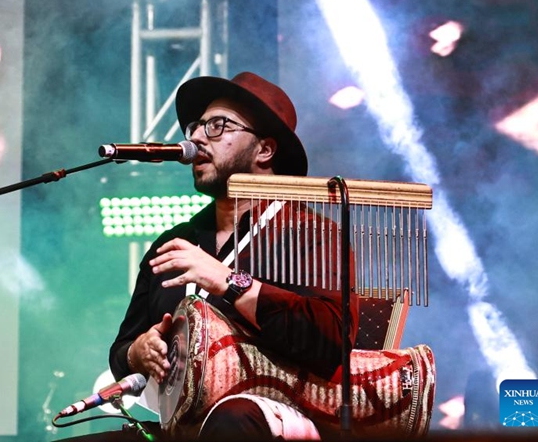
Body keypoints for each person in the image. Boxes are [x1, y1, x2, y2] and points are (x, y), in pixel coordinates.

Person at [107, 72, 360, 441]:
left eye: (217, 126)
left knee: (232, 423)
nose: (194, 138)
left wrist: (229, 282)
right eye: (196, 126)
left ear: (264, 150)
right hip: (183, 421)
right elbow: (121, 349)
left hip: (278, 414)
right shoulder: (174, 242)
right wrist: (137, 353)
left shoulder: (311, 234)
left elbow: (332, 340)